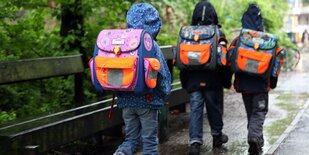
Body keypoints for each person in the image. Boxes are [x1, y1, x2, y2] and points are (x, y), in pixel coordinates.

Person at [113, 3, 172, 155]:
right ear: (154, 23)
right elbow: (161, 74)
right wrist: (164, 93)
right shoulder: (149, 44)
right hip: (147, 101)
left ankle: (121, 153)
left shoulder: (122, 42)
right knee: (150, 143)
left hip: (126, 101)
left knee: (131, 140)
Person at [228, 4, 284, 155]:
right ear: (260, 21)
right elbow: (277, 61)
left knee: (251, 114)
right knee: (258, 113)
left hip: (244, 84)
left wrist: (229, 80)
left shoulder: (238, 39)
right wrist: (273, 82)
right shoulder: (269, 41)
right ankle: (254, 138)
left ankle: (256, 141)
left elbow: (229, 59)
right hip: (261, 85)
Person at [179, 1, 232, 154]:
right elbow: (224, 61)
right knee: (214, 107)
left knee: (195, 109)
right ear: (213, 15)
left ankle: (195, 143)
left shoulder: (187, 33)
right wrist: (225, 81)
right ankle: (217, 136)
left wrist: (185, 81)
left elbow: (181, 59)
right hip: (212, 79)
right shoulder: (217, 33)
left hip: (193, 80)